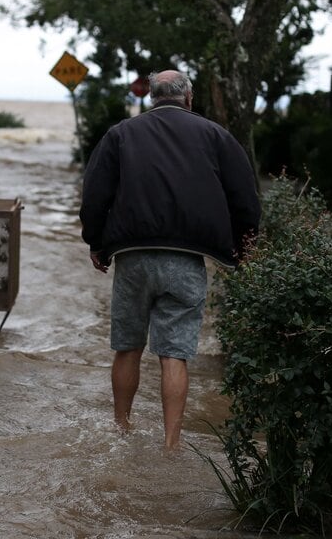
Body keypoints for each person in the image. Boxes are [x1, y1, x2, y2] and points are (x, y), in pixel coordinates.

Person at [79, 69, 261, 451]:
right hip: (188, 258)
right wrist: (244, 248)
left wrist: (96, 243)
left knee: (127, 347)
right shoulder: (216, 136)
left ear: (150, 97)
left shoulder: (120, 134)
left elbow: (94, 195)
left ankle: (121, 430)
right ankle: (171, 445)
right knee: (174, 354)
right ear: (189, 98)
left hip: (132, 257)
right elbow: (245, 198)